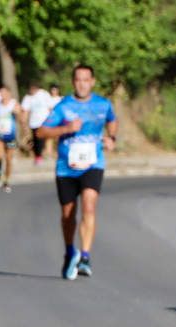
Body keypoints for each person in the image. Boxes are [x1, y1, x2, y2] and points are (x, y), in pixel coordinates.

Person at [36, 64, 117, 280]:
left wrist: (112, 139)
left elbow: (112, 120)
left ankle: (86, 256)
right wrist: (66, 129)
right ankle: (70, 250)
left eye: (86, 79)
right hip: (66, 168)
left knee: (89, 206)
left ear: (92, 81)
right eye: (78, 80)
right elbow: (42, 131)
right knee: (68, 214)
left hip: (93, 163)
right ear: (73, 82)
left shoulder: (102, 104)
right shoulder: (63, 107)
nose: (82, 84)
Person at [0, 87, 26, 192]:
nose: (2, 95)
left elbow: (22, 117)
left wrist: (19, 115)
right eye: (1, 93)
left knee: (9, 159)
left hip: (11, 136)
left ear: (9, 93)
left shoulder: (14, 104)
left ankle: (6, 180)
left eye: (4, 93)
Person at [21, 83, 53, 165]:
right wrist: (24, 123)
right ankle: (38, 155)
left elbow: (50, 107)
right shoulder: (28, 97)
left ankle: (42, 154)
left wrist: (52, 119)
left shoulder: (44, 94)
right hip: (33, 122)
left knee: (41, 138)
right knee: (36, 140)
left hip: (44, 121)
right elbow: (25, 110)